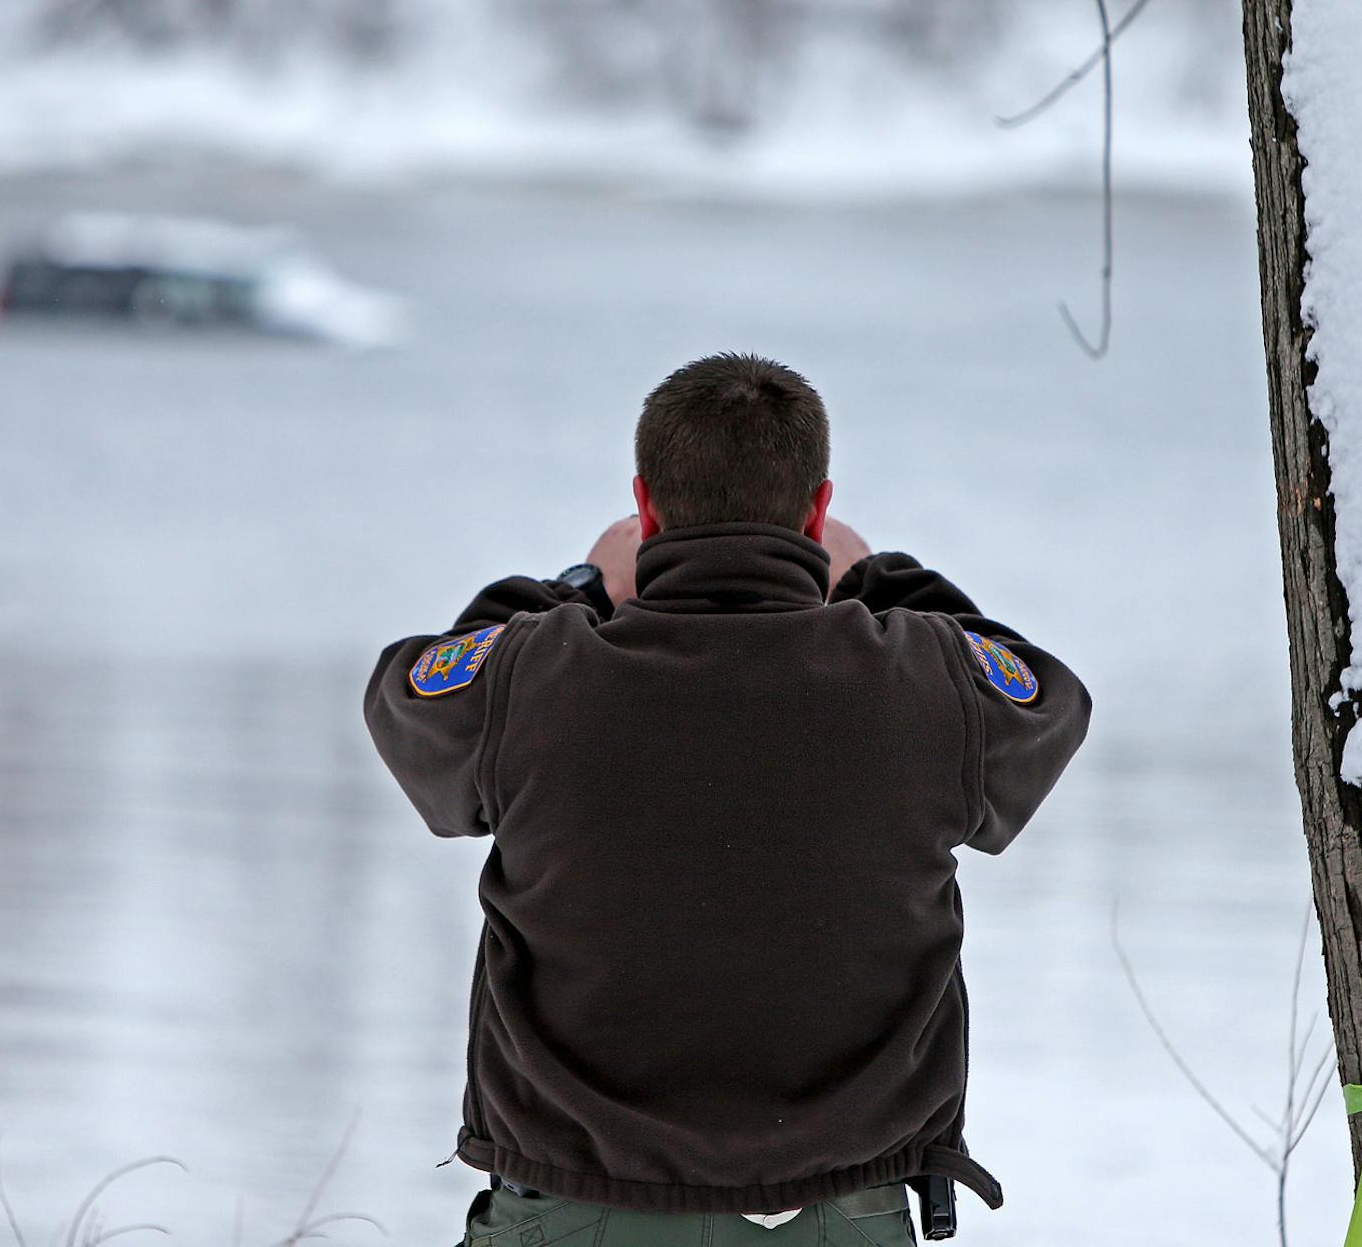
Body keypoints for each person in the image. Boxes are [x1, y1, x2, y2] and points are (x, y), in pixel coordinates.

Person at [364, 353, 1091, 1245]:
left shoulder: (539, 675)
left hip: (578, 1210)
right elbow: (1046, 701)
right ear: (817, 512)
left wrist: (579, 586)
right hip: (842, 1212)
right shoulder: (922, 678)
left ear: (647, 506)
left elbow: (408, 700)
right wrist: (880, 578)